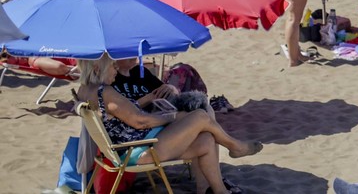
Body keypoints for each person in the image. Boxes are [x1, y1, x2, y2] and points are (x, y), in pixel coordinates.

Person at [77, 55, 260, 194]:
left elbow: (130, 117)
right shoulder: (105, 92)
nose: (115, 69)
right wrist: (172, 117)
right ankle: (235, 146)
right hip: (137, 151)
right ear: (97, 69)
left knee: (206, 140)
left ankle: (219, 191)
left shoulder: (86, 90)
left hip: (132, 146)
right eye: (112, 65)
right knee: (200, 116)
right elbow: (140, 121)